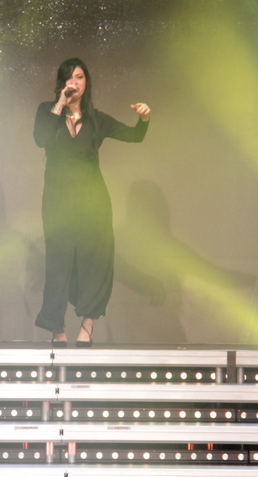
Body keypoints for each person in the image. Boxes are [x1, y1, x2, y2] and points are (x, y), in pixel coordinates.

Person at [33, 57, 151, 347]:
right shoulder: (47, 111)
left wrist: (144, 119)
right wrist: (61, 103)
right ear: (61, 82)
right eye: (69, 77)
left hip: (92, 201)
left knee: (96, 260)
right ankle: (57, 329)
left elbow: (134, 136)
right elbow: (40, 139)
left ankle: (88, 325)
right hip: (58, 201)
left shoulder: (97, 119)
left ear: (87, 82)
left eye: (80, 77)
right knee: (59, 262)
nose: (75, 82)